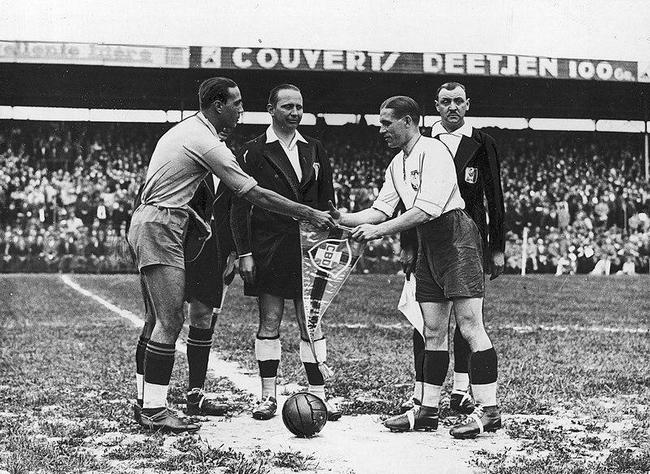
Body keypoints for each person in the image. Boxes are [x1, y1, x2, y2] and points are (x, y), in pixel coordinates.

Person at [127, 77, 335, 434]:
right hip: (162, 224)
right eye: (236, 103)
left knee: (156, 320)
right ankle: (155, 411)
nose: (242, 110)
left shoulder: (190, 131)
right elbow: (253, 194)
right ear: (217, 106)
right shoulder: (206, 142)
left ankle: (147, 401)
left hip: (159, 221)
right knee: (170, 320)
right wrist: (308, 212)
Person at [331, 96, 500, 439]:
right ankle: (427, 410)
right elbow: (380, 209)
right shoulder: (396, 164)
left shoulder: (435, 151)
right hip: (429, 245)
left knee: (470, 325)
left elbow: (427, 208)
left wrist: (378, 232)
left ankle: (489, 409)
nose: (381, 130)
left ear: (408, 122)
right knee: (432, 330)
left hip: (457, 238)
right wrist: (341, 220)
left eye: (385, 123)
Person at [229, 84, 341, 421]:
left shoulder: (315, 148)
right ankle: (267, 396)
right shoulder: (252, 151)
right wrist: (244, 252)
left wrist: (330, 246)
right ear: (270, 109)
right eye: (288, 106)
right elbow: (238, 207)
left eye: (299, 106)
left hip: (309, 250)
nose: (295, 113)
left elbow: (327, 204)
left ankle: (319, 395)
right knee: (270, 320)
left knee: (311, 323)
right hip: (269, 246)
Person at [400, 82, 505, 417]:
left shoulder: (482, 142)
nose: (452, 107)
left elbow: (495, 198)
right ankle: (421, 393)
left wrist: (497, 248)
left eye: (458, 101)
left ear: (468, 105)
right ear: (436, 106)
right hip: (425, 235)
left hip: (466, 237)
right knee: (427, 320)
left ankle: (461, 390)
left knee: (465, 319)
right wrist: (407, 244)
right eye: (445, 102)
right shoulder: (422, 142)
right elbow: (406, 195)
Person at [132, 175, 236, 425]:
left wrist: (233, 252)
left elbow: (234, 210)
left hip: (210, 249)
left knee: (202, 316)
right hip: (170, 241)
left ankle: (195, 395)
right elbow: (144, 200)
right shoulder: (180, 155)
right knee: (157, 318)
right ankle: (144, 399)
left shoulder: (228, 162)